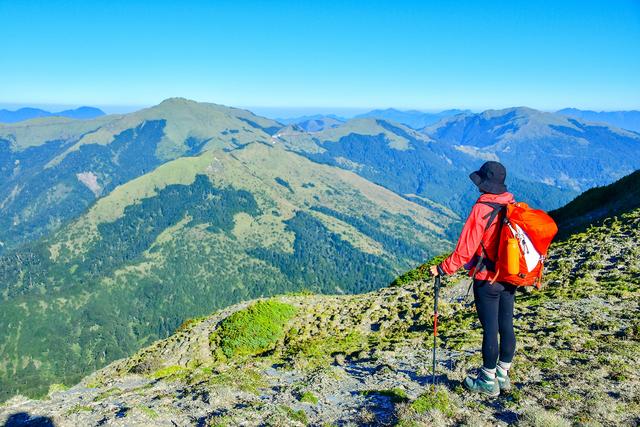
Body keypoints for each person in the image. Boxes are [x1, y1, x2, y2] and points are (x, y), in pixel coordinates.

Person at [430, 161, 516, 397]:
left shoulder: (482, 209)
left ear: (485, 182)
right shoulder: (511, 203)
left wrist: (442, 269)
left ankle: (488, 381)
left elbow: (464, 250)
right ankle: (503, 374)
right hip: (508, 275)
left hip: (487, 278)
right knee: (506, 325)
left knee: (489, 329)